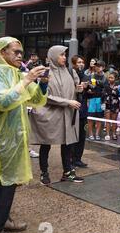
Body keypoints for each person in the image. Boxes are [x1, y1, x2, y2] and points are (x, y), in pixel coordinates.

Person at [0, 37, 48, 233]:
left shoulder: (16, 73)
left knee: (7, 185)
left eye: (21, 52)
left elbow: (37, 99)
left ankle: (3, 220)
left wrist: (41, 84)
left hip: (12, 140)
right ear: (1, 53)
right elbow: (2, 101)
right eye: (14, 51)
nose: (19, 55)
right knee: (4, 186)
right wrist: (26, 80)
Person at [29, 45, 84, 186]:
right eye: (61, 55)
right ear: (53, 56)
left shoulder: (71, 72)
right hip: (51, 115)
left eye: (65, 55)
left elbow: (75, 88)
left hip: (68, 114)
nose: (64, 57)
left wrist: (79, 89)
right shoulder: (45, 73)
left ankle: (68, 172)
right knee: (46, 144)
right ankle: (44, 173)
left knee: (67, 144)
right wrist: (67, 101)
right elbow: (44, 96)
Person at [71, 55, 88, 168]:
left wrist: (88, 87)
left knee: (82, 135)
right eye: (78, 62)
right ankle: (71, 159)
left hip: (83, 110)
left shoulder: (86, 76)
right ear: (74, 64)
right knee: (73, 136)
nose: (81, 64)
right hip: (73, 109)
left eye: (82, 62)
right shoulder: (70, 75)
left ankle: (78, 159)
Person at [86, 60, 106, 141]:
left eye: (99, 66)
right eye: (96, 66)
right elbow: (91, 85)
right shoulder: (92, 75)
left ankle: (97, 134)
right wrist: (89, 86)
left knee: (99, 117)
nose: (97, 67)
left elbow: (103, 84)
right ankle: (90, 133)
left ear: (103, 67)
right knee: (90, 117)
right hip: (92, 98)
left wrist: (96, 83)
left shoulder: (105, 76)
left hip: (101, 98)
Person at [103, 72, 120, 141]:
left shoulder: (118, 86)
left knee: (114, 120)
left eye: (112, 78)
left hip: (115, 104)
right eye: (109, 77)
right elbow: (103, 94)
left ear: (115, 79)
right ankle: (107, 134)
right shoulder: (106, 85)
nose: (110, 79)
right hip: (107, 104)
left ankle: (114, 134)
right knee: (107, 120)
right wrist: (103, 102)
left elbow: (119, 94)